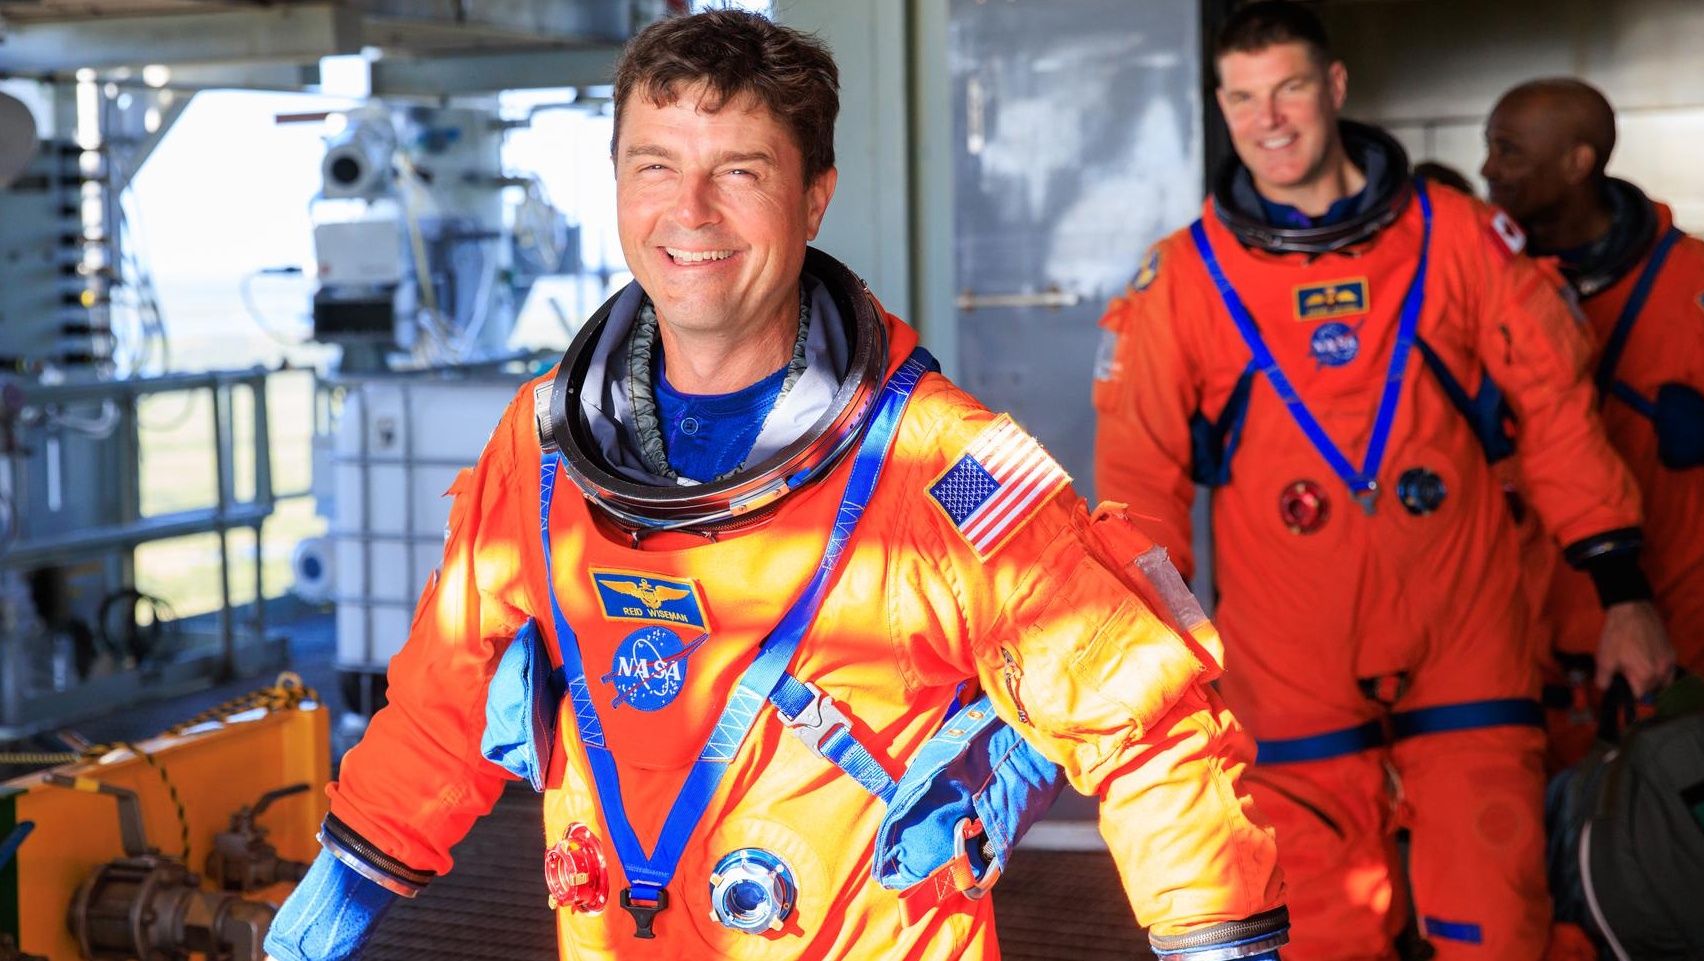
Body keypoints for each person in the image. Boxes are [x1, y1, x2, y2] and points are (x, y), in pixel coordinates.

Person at [262, 10, 1289, 961]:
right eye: (652, 166)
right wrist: (349, 878)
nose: (688, 211)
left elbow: (1148, 725)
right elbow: (444, 698)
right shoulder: (541, 448)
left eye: (739, 171)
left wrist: (1216, 937)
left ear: (814, 195)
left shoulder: (944, 465)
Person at [1092, 3, 1673, 959]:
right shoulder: (1184, 278)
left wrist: (1623, 595)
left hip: (1465, 642)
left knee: (1496, 923)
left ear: (1333, 87)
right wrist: (1150, 647)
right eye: (1242, 98)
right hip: (1290, 660)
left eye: (1287, 89)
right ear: (1222, 107)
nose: (1267, 119)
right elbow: (1140, 480)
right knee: (1322, 928)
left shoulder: (1464, 240)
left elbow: (1562, 418)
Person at [1482, 78, 1704, 760]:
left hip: (1676, 638)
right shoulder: (1471, 282)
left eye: (1509, 151)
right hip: (1518, 644)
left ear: (1578, 163)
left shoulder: (1691, 286)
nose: (1489, 170)